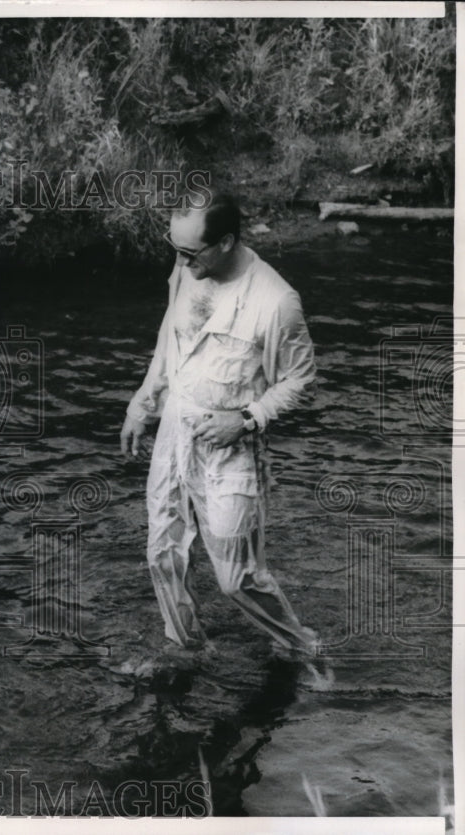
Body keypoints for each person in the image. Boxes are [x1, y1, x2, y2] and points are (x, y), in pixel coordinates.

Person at [120, 193, 320, 658]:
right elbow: (170, 336)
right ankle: (187, 646)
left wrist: (246, 419)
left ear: (226, 242)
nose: (180, 261)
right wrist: (142, 405)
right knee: (163, 555)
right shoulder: (187, 270)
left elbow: (301, 380)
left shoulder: (276, 301)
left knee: (236, 579)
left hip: (232, 441)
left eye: (190, 252)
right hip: (176, 423)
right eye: (174, 248)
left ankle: (303, 648)